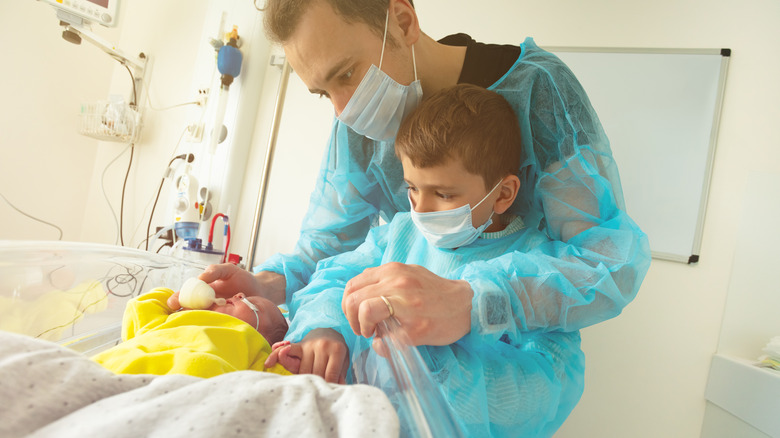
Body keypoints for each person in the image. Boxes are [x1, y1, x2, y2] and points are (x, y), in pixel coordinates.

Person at [200, 0, 650, 385]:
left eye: (347, 73)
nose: (343, 109)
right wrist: (265, 283)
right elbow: (329, 248)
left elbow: (606, 260)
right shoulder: (357, 127)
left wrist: (475, 301)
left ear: (401, 19)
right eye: (324, 93)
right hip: (393, 364)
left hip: (504, 367)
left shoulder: (536, 92)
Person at [264, 83, 591, 437]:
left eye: (444, 193)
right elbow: (335, 278)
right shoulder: (401, 233)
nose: (420, 208)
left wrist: (439, 368)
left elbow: (549, 381)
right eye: (412, 188)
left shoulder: (533, 265)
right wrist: (324, 331)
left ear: (503, 194)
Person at [91, 287, 303, 378]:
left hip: (189, 385)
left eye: (254, 303)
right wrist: (175, 299)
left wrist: (287, 363)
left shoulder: (254, 345)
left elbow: (274, 380)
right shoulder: (175, 318)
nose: (239, 294)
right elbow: (138, 306)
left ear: (265, 338)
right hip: (118, 366)